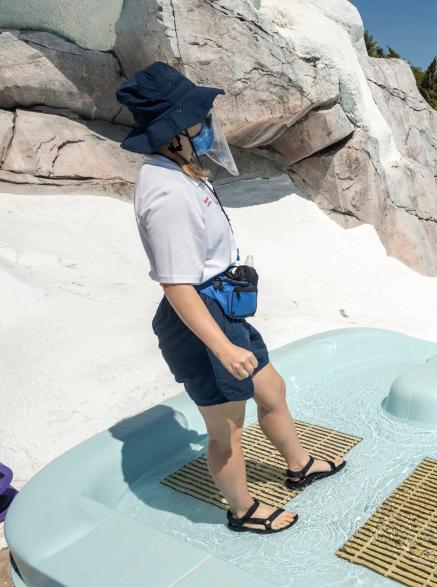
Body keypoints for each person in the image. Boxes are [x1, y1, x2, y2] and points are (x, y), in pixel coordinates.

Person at [116, 62, 344, 535]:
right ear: (176, 128)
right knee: (226, 430)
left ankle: (298, 465)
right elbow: (177, 285)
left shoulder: (181, 171)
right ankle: (242, 511)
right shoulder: (167, 193)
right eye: (199, 117)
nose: (209, 124)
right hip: (202, 321)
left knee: (272, 390)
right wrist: (222, 346)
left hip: (221, 310)